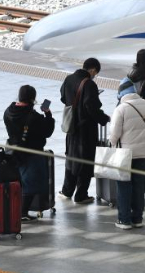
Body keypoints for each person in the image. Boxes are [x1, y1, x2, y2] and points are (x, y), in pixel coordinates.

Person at [59, 58, 110, 204]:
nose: (95, 76)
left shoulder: (68, 79)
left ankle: (67, 190)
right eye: (96, 73)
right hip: (85, 130)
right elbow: (91, 107)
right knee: (86, 161)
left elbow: (63, 98)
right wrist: (104, 118)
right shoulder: (89, 84)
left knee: (71, 158)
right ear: (93, 70)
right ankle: (81, 194)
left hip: (71, 127)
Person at [3, 85, 55, 222]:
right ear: (33, 98)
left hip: (13, 151)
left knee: (18, 181)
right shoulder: (34, 116)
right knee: (32, 183)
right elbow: (47, 131)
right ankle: (22, 212)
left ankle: (15, 209)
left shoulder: (8, 112)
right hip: (31, 153)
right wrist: (48, 114)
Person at [109, 90, 145, 230]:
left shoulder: (121, 108)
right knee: (139, 185)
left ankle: (124, 220)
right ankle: (137, 219)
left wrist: (111, 144)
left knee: (123, 185)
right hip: (143, 152)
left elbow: (114, 134)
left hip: (125, 153)